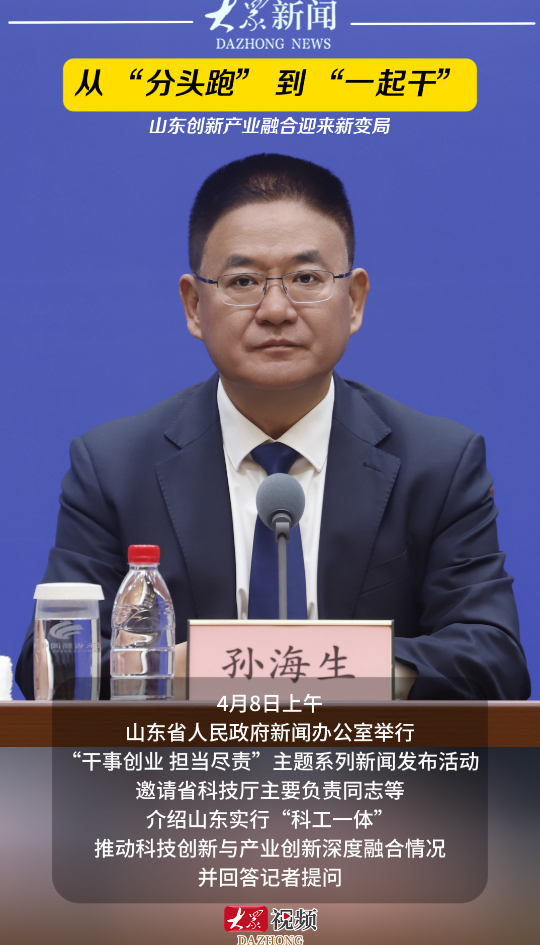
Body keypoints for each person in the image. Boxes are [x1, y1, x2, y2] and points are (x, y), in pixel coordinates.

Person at [16, 153, 530, 700]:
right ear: (194, 306)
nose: (276, 309)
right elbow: (53, 666)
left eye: (306, 278)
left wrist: (309, 672)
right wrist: (187, 668)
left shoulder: (439, 464)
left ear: (354, 300)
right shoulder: (115, 468)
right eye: (243, 281)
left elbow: (493, 659)